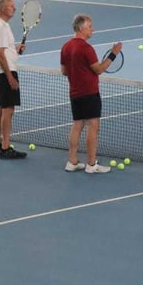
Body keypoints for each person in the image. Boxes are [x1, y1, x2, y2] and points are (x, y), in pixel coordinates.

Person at [59, 14, 122, 174]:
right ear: (81, 28)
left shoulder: (66, 46)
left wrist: (78, 73)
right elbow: (99, 69)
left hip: (74, 93)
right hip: (89, 93)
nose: (92, 29)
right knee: (93, 126)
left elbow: (64, 71)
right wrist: (113, 54)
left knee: (77, 125)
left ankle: (72, 162)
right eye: (90, 26)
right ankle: (91, 164)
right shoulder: (86, 48)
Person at [0, 0, 26, 160]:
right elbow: (0, 55)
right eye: (11, 7)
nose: (14, 9)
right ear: (3, 9)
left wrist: (16, 50)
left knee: (1, 108)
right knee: (8, 111)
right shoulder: (1, 27)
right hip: (5, 73)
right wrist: (10, 77)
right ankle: (5, 148)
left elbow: (4, 51)